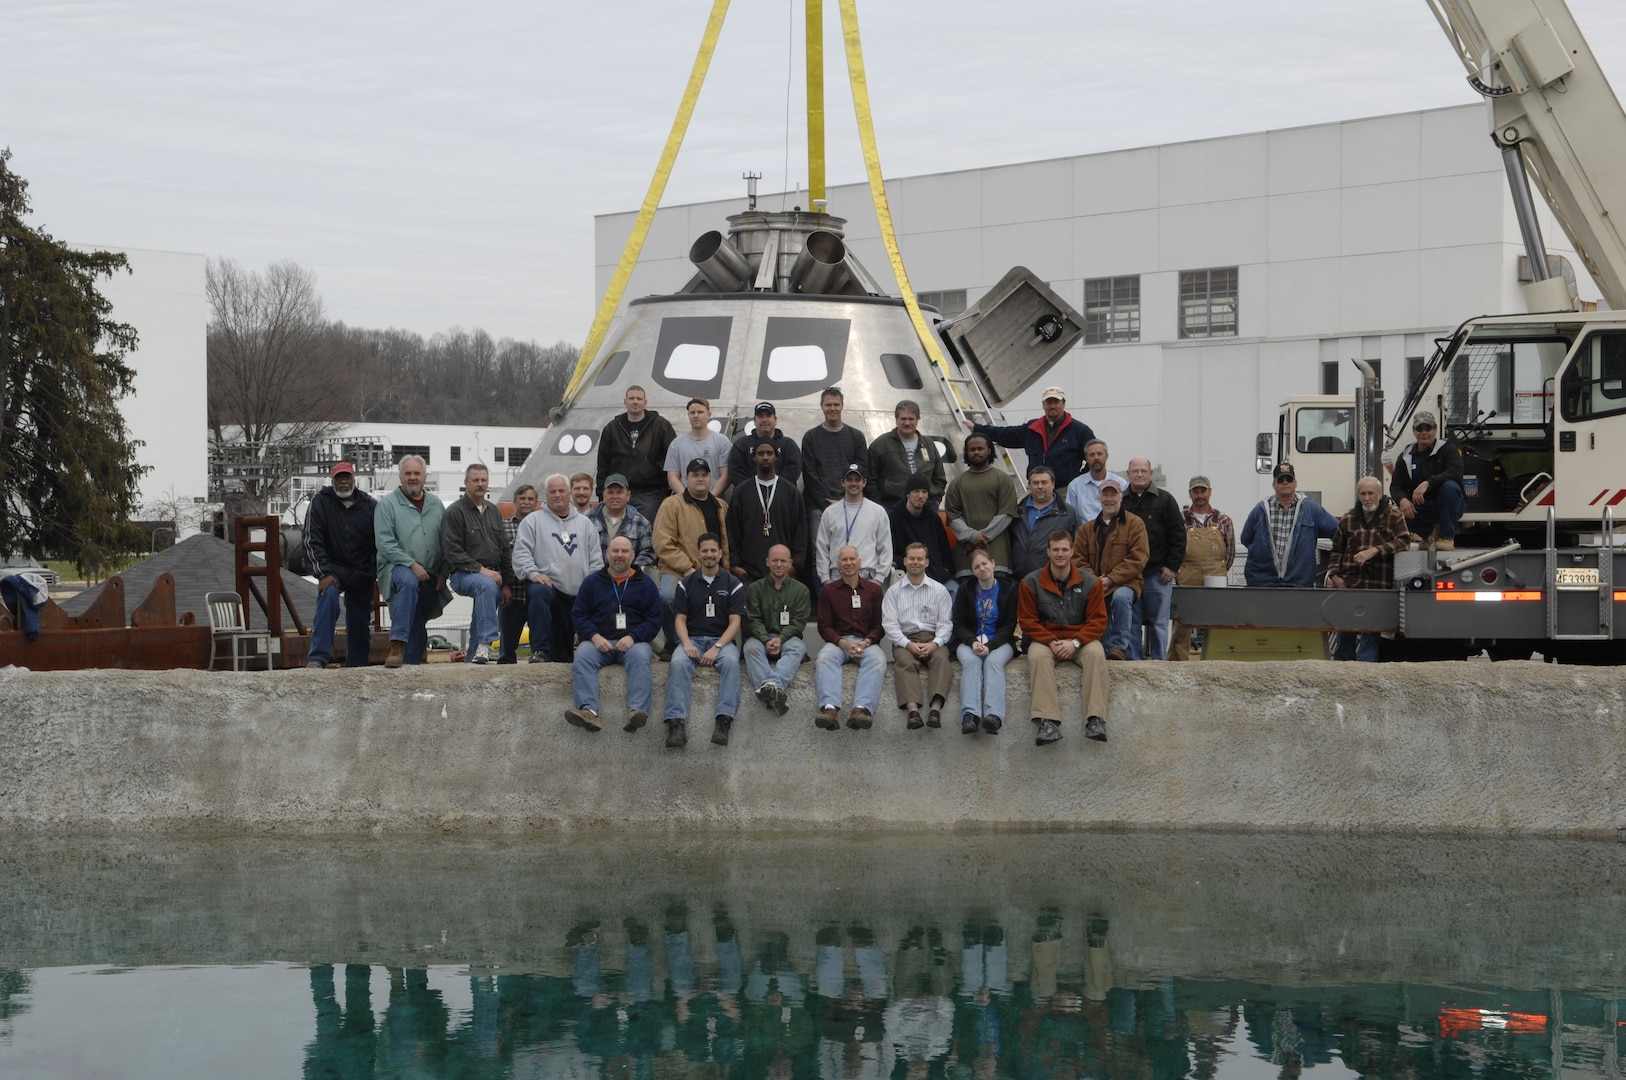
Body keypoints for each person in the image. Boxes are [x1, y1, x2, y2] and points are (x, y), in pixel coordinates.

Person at [1018, 530, 1110, 746]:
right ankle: (1048, 722)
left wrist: (1075, 642)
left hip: (1080, 641)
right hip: (1046, 641)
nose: (1060, 554)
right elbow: (1027, 621)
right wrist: (1050, 641)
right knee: (1037, 657)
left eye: (1064, 549)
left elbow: (1098, 621)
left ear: (1072, 552)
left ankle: (1096, 719)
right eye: (1056, 550)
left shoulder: (1091, 582)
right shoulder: (1030, 582)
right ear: (1048, 552)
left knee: (1097, 653)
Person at [565, 535, 661, 734]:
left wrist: (633, 637)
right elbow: (579, 614)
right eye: (615, 551)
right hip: (599, 642)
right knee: (582, 655)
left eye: (625, 551)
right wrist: (594, 636)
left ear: (633, 555)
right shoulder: (592, 582)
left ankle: (636, 712)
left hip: (634, 643)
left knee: (641, 657)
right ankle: (589, 711)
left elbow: (654, 619)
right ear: (607, 553)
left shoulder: (646, 584)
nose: (619, 555)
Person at [663, 532, 746, 748]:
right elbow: (680, 620)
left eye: (713, 551)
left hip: (722, 641)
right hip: (693, 639)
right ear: (698, 553)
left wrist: (718, 647)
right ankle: (676, 723)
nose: (709, 555)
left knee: (730, 662)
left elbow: (735, 623)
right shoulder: (686, 584)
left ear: (720, 553)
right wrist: (687, 644)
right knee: (678, 662)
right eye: (704, 551)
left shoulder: (733, 583)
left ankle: (723, 721)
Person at [515, 473, 605, 663]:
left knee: (563, 656)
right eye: (552, 491)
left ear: (569, 493)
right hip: (549, 588)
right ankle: (539, 649)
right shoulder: (532, 521)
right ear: (546, 495)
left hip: (577, 592)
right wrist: (534, 573)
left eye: (561, 491)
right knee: (538, 592)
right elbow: (521, 554)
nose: (557, 495)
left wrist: (589, 586)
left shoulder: (585, 524)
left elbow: (596, 560)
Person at [374, 454, 452, 668]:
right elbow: (385, 543)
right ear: (400, 477)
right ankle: (397, 644)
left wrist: (444, 572)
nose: (412, 477)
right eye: (407, 473)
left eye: (417, 473)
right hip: (397, 568)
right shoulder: (387, 505)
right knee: (408, 582)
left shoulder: (436, 505)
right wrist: (411, 564)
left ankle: (411, 669)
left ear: (425, 477)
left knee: (417, 624)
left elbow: (446, 541)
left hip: (431, 574)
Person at [1328, 475, 1411, 661]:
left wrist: (1376, 550)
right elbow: (1336, 550)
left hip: (1378, 585)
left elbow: (1404, 541)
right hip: (1350, 585)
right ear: (1358, 495)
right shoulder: (1348, 518)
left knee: (1370, 635)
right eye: (1363, 493)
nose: (1367, 498)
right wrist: (1335, 575)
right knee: (1345, 632)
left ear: (1380, 494)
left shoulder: (1393, 515)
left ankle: (1367, 676)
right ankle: (1341, 673)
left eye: (1371, 493)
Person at [653, 458, 731, 655]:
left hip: (713, 570)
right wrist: (688, 568)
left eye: (704, 474)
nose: (700, 479)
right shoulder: (671, 504)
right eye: (695, 475)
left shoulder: (721, 506)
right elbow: (662, 543)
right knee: (668, 598)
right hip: (678, 570)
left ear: (710, 477)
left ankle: (717, 644)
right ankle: (674, 644)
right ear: (686, 478)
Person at [304, 461, 377, 669]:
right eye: (339, 478)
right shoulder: (320, 502)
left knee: (360, 621)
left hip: (362, 571)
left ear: (354, 479)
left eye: (347, 477)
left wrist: (372, 571)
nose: (343, 482)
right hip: (333, 569)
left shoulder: (370, 505)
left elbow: (380, 541)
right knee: (327, 599)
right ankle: (318, 658)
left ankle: (357, 666)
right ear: (332, 480)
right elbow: (311, 540)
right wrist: (324, 572)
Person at [440, 462, 512, 664]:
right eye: (476, 480)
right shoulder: (454, 512)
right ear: (466, 483)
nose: (480, 484)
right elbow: (452, 551)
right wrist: (482, 570)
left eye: (484, 480)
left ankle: (473, 659)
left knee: (482, 608)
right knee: (485, 585)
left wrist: (507, 583)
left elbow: (504, 549)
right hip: (463, 574)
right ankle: (485, 643)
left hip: (494, 575)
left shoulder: (494, 511)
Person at [1071, 475, 1148, 662]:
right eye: (1105, 495)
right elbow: (1077, 559)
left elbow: (1139, 557)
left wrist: (1111, 579)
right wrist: (1094, 580)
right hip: (1094, 584)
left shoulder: (1135, 524)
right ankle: (1102, 649)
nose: (1109, 499)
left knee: (1121, 598)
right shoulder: (1086, 530)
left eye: (1114, 495)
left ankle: (1118, 647)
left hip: (1126, 582)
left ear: (1121, 497)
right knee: (1095, 603)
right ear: (1099, 498)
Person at [882, 542, 954, 729]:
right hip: (905, 640)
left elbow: (946, 624)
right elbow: (890, 625)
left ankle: (935, 711)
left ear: (927, 562)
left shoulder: (940, 590)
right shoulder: (893, 592)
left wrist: (935, 643)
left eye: (919, 559)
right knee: (905, 663)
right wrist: (907, 644)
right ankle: (913, 711)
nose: (915, 562)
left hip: (933, 639)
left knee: (941, 660)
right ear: (904, 561)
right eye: (912, 558)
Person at [813, 545, 886, 730]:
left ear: (860, 562)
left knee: (878, 660)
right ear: (838, 564)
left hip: (866, 642)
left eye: (852, 559)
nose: (848, 563)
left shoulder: (874, 590)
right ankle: (829, 709)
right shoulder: (829, 591)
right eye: (844, 560)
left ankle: (861, 710)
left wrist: (866, 641)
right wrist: (843, 643)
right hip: (838, 642)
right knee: (824, 658)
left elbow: (879, 625)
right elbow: (824, 626)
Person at [1119, 457, 1186, 660]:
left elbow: (1178, 535)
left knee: (1159, 623)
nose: (1139, 474)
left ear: (1151, 474)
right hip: (1130, 575)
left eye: (1143, 471)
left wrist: (1172, 567)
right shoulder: (1121, 501)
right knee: (1132, 622)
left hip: (1159, 574)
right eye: (1135, 471)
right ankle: (1134, 664)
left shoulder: (1165, 500)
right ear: (1128, 474)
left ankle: (1159, 665)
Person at [966, 385, 1094, 490]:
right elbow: (1006, 434)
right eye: (1049, 402)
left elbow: (1095, 457)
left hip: (1065, 490)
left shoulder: (1079, 431)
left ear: (1063, 404)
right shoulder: (1032, 428)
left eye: (1056, 402)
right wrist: (977, 428)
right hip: (1036, 489)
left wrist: (1079, 481)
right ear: (1043, 405)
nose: (1052, 406)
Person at [1241, 461, 1340, 587]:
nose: (1285, 482)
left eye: (1289, 479)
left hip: (1299, 584)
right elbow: (1245, 538)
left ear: (1295, 483)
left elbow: (1340, 534)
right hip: (1262, 584)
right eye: (1281, 480)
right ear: (1274, 484)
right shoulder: (1260, 510)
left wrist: (1336, 570)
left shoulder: (1312, 509)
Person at [952, 546, 1018, 734]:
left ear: (993, 563)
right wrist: (972, 641)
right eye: (976, 566)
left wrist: (990, 646)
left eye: (985, 563)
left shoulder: (1009, 588)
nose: (982, 568)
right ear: (972, 571)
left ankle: (994, 715)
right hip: (969, 641)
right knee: (971, 661)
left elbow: (1010, 624)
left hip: (1000, 641)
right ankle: (970, 715)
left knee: (993, 662)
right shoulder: (965, 590)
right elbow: (958, 624)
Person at [1169, 476, 1236, 661]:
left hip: (1216, 577)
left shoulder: (1224, 520)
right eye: (1196, 491)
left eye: (1203, 491)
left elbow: (1229, 554)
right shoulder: (1180, 519)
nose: (1200, 495)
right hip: (1187, 575)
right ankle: (1177, 666)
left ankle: (1217, 662)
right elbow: (1174, 548)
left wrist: (1218, 569)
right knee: (1182, 623)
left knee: (1217, 621)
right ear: (1190, 493)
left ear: (1210, 492)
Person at [743, 543, 812, 716]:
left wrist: (781, 638)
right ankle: (775, 691)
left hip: (788, 638)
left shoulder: (801, 590)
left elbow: (798, 622)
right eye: (775, 560)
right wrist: (766, 639)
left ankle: (770, 687)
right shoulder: (755, 588)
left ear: (790, 563)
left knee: (798, 648)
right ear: (767, 562)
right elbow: (753, 619)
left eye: (783, 561)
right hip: (760, 637)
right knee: (749, 648)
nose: (779, 564)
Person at [725, 437, 808, 581]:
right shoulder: (741, 491)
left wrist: (796, 564)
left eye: (769, 453)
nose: (765, 457)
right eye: (760, 453)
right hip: (748, 572)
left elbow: (800, 531)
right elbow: (732, 530)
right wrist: (734, 565)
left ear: (776, 457)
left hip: (784, 573)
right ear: (754, 458)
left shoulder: (790, 491)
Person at [597, 385, 676, 523]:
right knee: (618, 533)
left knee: (645, 532)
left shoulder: (661, 425)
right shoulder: (612, 428)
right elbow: (603, 462)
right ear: (625, 402)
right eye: (631, 398)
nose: (635, 401)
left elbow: (672, 457)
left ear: (645, 402)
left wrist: (654, 470)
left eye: (639, 398)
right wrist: (600, 492)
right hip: (618, 491)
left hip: (650, 492)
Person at [800, 386, 868, 545]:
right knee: (820, 552)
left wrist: (845, 501)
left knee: (852, 550)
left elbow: (861, 471)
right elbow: (810, 474)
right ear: (822, 406)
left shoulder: (856, 437)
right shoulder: (811, 437)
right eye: (828, 405)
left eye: (836, 404)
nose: (832, 408)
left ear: (842, 406)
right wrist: (827, 503)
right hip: (818, 506)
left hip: (850, 503)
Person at [945, 433, 1019, 579]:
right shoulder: (957, 483)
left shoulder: (1003, 479)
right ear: (966, 452)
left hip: (998, 555)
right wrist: (972, 536)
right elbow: (952, 516)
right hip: (966, 557)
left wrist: (979, 538)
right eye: (972, 449)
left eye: (980, 448)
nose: (976, 452)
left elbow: (1006, 513)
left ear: (989, 450)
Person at [1391, 410, 1465, 551]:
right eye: (1419, 428)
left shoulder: (1448, 450)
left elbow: (1456, 473)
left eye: (1428, 428)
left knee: (1451, 487)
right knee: (1392, 515)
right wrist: (1402, 500)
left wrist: (1428, 483)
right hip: (1421, 507)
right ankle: (1428, 533)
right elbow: (1396, 486)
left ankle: (1446, 538)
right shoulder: (1406, 456)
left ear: (1435, 429)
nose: (1424, 432)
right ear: (1414, 431)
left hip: (1446, 505)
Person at [813, 463, 891, 583]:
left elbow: (885, 547)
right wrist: (825, 579)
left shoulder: (878, 511)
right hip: (837, 577)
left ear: (864, 482)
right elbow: (822, 548)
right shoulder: (830, 512)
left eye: (857, 480)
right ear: (842, 482)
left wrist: (879, 579)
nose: (853, 483)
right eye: (849, 480)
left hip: (868, 576)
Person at [867, 399, 947, 508]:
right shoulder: (880, 445)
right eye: (903, 419)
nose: (907, 423)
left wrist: (936, 501)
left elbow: (939, 477)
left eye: (911, 419)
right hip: (892, 507)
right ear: (896, 420)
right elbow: (870, 479)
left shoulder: (929, 445)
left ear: (917, 420)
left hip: (925, 507)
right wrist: (878, 506)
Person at [887, 474, 956, 595]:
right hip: (907, 574)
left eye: (924, 492)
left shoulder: (933, 518)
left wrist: (945, 570)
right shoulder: (893, 518)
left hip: (937, 575)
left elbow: (945, 551)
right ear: (908, 494)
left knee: (955, 592)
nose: (920, 496)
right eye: (916, 491)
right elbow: (890, 553)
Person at [1009, 464, 1080, 580]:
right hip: (1018, 580)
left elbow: (1078, 547)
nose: (1040, 486)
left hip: (1054, 580)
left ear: (1053, 484)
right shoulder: (1018, 511)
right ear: (1029, 486)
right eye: (1035, 483)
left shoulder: (1068, 514)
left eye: (1044, 482)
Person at [725, 401, 802, 496]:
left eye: (768, 415)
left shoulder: (789, 445)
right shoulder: (741, 445)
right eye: (760, 416)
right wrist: (755, 491)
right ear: (754, 420)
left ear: (775, 419)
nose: (764, 419)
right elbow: (735, 472)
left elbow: (793, 471)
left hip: (782, 497)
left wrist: (773, 490)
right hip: (749, 497)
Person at [497, 484, 536, 664]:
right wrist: (505, 584)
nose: (526, 502)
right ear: (515, 501)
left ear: (536, 502)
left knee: (539, 650)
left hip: (535, 594)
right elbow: (498, 557)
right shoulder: (503, 526)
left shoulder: (542, 527)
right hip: (511, 594)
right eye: (522, 498)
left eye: (530, 499)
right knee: (506, 650)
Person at [664, 397, 733, 496]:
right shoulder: (676, 444)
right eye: (692, 413)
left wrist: (710, 499)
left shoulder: (722, 442)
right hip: (684, 502)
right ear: (688, 415)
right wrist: (687, 498)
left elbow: (726, 476)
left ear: (709, 415)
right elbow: (672, 477)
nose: (696, 416)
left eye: (700, 412)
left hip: (714, 500)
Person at [586, 473, 656, 569]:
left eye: (619, 492)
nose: (615, 496)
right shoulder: (588, 518)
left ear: (628, 495)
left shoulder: (641, 522)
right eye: (610, 492)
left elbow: (648, 552)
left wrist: (631, 572)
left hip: (629, 578)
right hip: (595, 575)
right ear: (603, 495)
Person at [1064, 439, 1127, 523]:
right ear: (1086, 458)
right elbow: (1070, 517)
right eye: (1092, 455)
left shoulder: (1121, 484)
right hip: (1085, 534)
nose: (1096, 458)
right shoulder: (1075, 486)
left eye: (1099, 454)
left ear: (1107, 456)